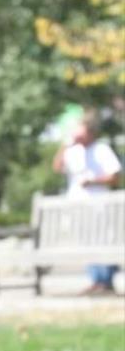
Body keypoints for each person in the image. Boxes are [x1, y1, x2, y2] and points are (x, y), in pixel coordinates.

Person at [53, 113, 123, 294]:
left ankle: (105, 281)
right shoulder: (72, 151)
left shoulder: (101, 150)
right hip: (78, 205)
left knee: (102, 241)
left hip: (99, 205)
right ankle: (95, 279)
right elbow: (57, 167)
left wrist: (92, 181)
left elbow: (115, 176)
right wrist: (65, 144)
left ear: (91, 133)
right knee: (86, 241)